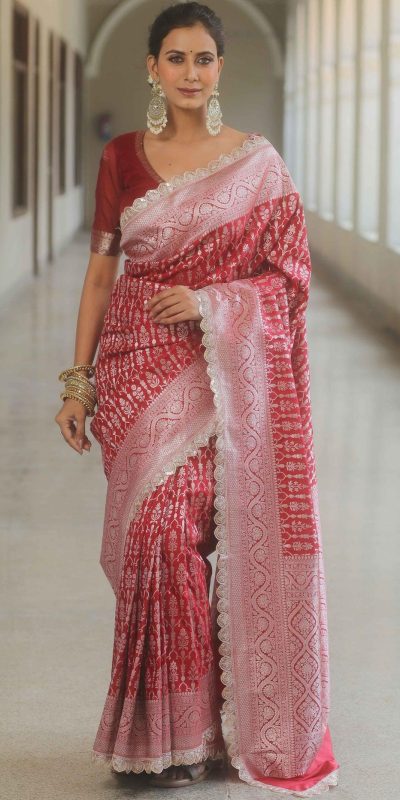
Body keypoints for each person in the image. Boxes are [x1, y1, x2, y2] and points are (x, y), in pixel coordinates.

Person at [54, 2, 340, 794]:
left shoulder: (259, 165)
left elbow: (289, 280)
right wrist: (78, 382)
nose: (190, 72)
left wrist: (212, 302)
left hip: (219, 375)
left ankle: (200, 734)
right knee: (151, 543)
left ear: (220, 67)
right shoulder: (121, 157)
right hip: (134, 363)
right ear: (152, 67)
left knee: (180, 537)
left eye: (203, 58)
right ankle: (160, 737)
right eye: (175, 57)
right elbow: (101, 273)